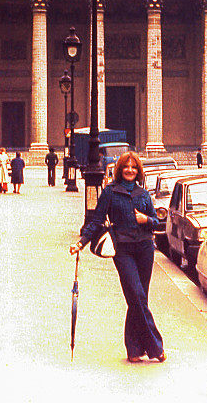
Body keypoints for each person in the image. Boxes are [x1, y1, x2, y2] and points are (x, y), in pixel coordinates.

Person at [70, 151, 165, 364]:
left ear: (138, 171)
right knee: (136, 294)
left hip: (145, 248)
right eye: (126, 167)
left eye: (133, 167)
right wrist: (81, 243)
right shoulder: (110, 193)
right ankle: (155, 347)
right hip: (122, 250)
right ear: (120, 170)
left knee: (138, 299)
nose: (130, 170)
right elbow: (96, 220)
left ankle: (133, 349)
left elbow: (156, 222)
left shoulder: (143, 193)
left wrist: (145, 219)